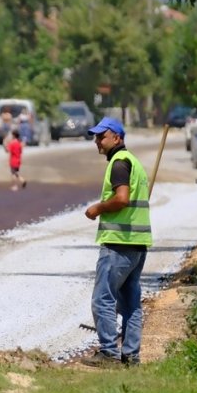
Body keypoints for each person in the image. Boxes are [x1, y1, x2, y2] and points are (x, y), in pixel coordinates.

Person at [82, 117, 151, 367]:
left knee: (103, 298)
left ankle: (109, 353)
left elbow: (121, 199)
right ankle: (131, 356)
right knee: (131, 303)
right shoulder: (134, 163)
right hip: (138, 243)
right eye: (96, 137)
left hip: (118, 243)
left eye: (102, 136)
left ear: (117, 138)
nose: (97, 141)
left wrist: (97, 208)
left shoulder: (119, 163)